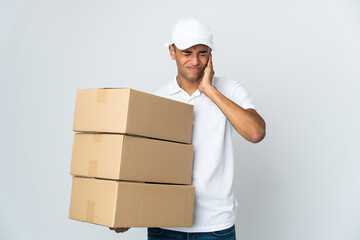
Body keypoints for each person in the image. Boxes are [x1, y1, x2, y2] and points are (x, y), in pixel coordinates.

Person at [110, 17, 266, 239]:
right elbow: (144, 162)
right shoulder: (158, 99)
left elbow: (256, 133)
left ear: (211, 54)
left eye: (202, 53)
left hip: (215, 227)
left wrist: (210, 90)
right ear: (172, 52)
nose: (195, 61)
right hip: (164, 225)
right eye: (187, 53)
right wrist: (126, 209)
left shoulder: (229, 90)